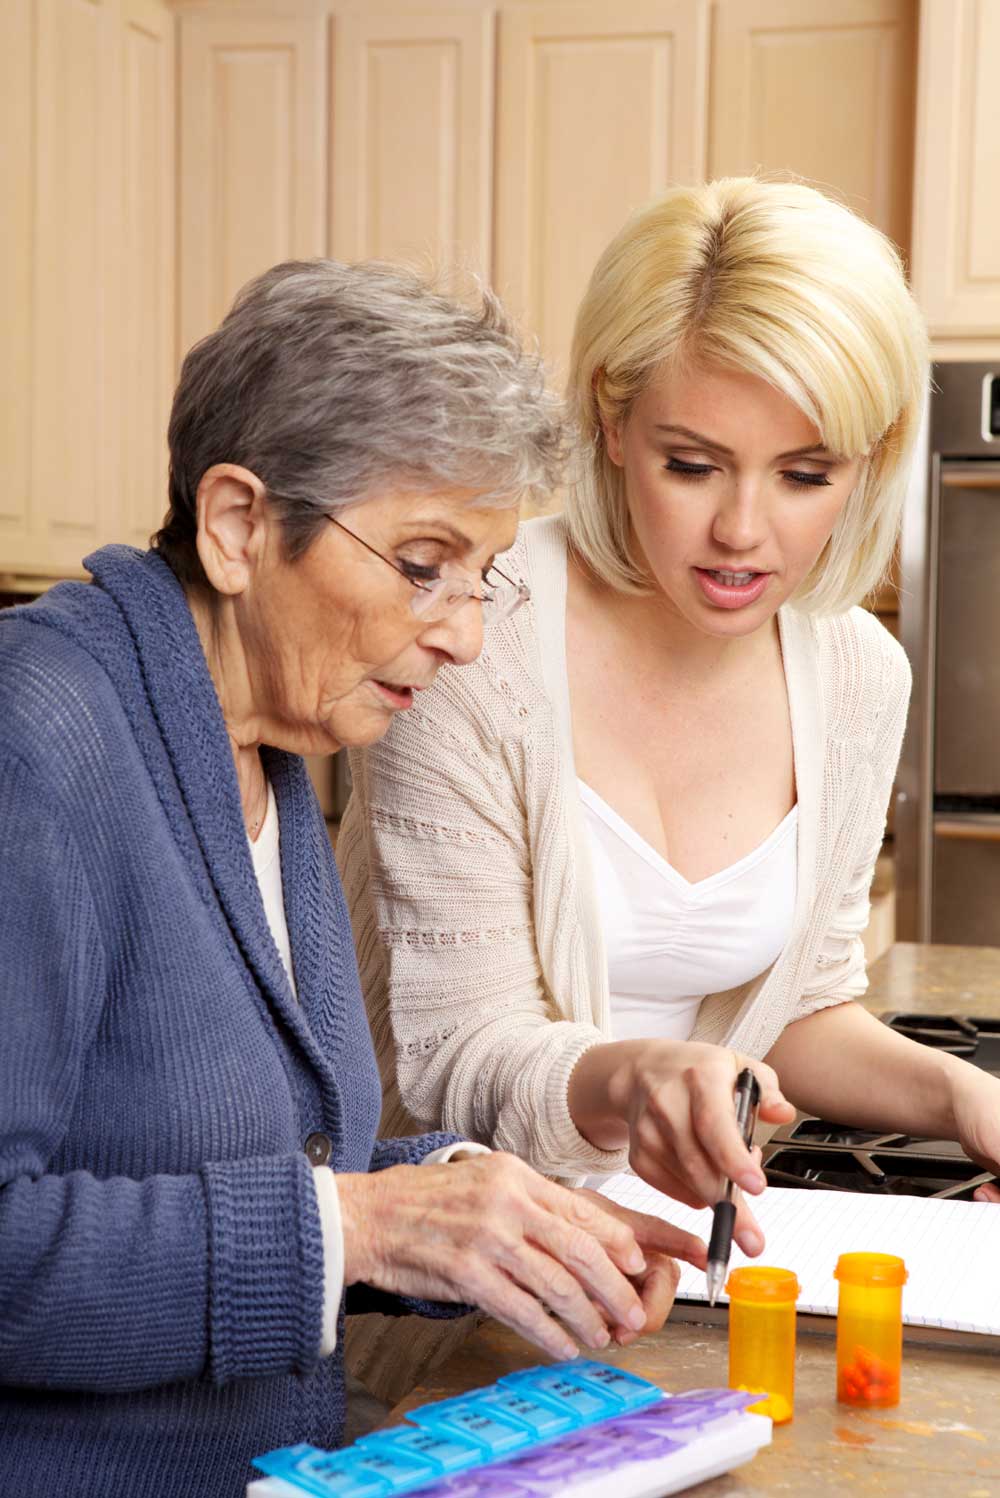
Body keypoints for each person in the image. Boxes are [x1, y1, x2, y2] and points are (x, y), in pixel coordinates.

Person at [0, 261, 704, 1498]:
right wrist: (360, 1227)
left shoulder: (273, 736)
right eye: (422, 562)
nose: (464, 631)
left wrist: (480, 1212)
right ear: (236, 527)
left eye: (481, 574)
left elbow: (254, 1161)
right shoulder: (39, 738)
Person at [339, 178, 1000, 1260]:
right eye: (690, 465)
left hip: (667, 1267)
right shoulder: (473, 635)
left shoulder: (857, 677)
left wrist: (962, 1096)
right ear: (609, 415)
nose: (742, 532)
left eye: (804, 473)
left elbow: (800, 1010)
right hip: (436, 1277)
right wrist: (635, 1076)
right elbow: (455, 1055)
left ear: (868, 461)